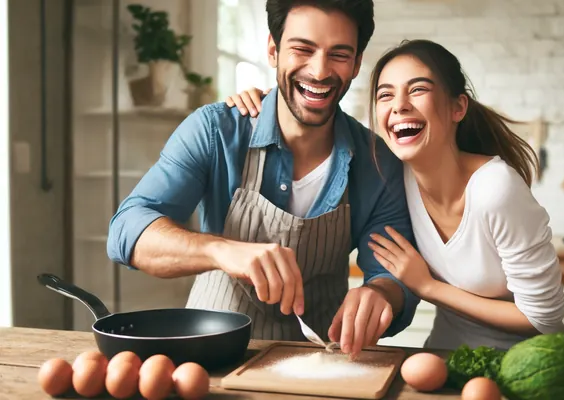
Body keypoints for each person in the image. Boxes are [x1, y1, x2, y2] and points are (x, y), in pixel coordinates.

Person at [106, 0, 421, 359]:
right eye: (303, 49)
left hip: (320, 360)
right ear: (273, 50)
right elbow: (127, 230)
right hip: (211, 352)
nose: (319, 71)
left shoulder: (378, 163)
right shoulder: (215, 131)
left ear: (356, 64)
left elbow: (393, 276)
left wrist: (381, 294)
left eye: (339, 54)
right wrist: (221, 249)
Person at [225, 39, 564, 351]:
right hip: (443, 358)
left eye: (417, 90)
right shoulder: (393, 176)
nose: (399, 105)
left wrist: (427, 286)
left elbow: (542, 319)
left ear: (458, 107)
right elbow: (313, 128)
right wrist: (268, 102)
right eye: (385, 95)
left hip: (529, 364)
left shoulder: (495, 188)